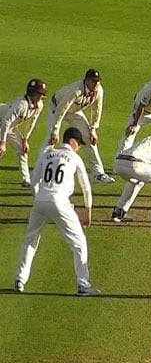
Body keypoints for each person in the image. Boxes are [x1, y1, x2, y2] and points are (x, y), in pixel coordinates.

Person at [14, 127, 100, 296]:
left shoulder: (46, 153)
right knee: (79, 243)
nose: (79, 148)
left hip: (40, 201)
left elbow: (33, 181)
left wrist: (39, 198)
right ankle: (83, 284)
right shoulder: (74, 158)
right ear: (73, 141)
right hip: (60, 202)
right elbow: (86, 187)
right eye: (79, 144)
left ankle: (20, 279)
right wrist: (88, 211)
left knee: (30, 241)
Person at [45, 69, 114, 183]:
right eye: (93, 81)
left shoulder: (99, 91)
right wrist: (55, 130)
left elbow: (97, 110)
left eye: (98, 81)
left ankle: (98, 174)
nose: (96, 84)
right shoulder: (75, 91)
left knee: (88, 137)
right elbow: (61, 109)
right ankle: (44, 168)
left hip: (75, 111)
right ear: (86, 80)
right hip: (57, 108)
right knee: (51, 139)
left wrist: (93, 129)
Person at [0, 79, 47, 187]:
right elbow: (6, 121)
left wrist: (25, 139)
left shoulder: (39, 105)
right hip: (2, 122)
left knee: (22, 149)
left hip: (9, 126)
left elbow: (32, 123)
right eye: (40, 93)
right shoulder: (21, 105)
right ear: (32, 92)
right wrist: (2, 142)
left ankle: (26, 179)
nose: (42, 96)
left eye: (43, 94)